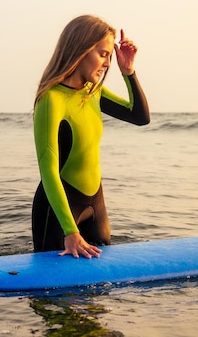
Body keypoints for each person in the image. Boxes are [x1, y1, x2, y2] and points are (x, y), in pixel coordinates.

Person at [32, 15, 151, 259]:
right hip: (59, 210)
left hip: (95, 203)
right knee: (52, 294)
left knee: (99, 292)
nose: (107, 63)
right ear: (80, 49)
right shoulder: (51, 100)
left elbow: (139, 117)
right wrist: (70, 231)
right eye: (103, 54)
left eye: (109, 55)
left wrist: (128, 71)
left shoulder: (92, 92)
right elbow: (49, 172)